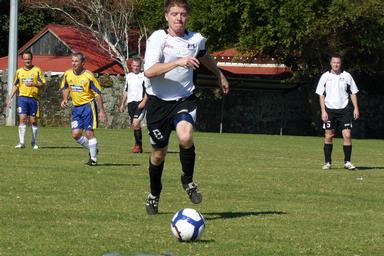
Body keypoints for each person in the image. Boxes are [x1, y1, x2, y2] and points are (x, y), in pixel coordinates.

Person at [143, 0, 229, 215]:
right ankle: (154, 195)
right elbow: (149, 72)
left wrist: (219, 74)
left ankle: (188, 181)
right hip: (158, 103)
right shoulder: (158, 39)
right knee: (158, 154)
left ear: (187, 16)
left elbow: (204, 56)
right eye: (174, 14)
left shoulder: (195, 40)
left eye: (182, 14)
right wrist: (177, 62)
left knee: (185, 136)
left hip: (184, 99)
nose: (178, 18)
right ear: (166, 16)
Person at [60, 52, 107, 166]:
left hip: (88, 106)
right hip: (76, 108)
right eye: (72, 61)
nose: (74, 63)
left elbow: (98, 94)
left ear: (83, 63)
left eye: (76, 61)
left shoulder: (89, 76)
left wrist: (101, 110)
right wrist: (65, 98)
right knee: (76, 134)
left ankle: (93, 160)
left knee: (89, 132)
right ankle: (93, 148)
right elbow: (65, 87)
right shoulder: (67, 74)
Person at [315, 54, 359, 170]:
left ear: (341, 63)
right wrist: (323, 111)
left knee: (347, 135)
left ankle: (347, 162)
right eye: (334, 62)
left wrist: (356, 108)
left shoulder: (347, 76)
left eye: (338, 62)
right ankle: (328, 162)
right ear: (330, 63)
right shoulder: (325, 77)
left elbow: (353, 92)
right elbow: (321, 95)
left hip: (344, 110)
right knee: (329, 135)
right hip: (329, 110)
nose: (336, 64)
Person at [7, 51, 46, 149]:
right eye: (25, 59)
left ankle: (33, 142)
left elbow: (43, 84)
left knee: (33, 121)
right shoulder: (19, 72)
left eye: (28, 58)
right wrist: (10, 98)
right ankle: (22, 142)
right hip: (22, 98)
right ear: (22, 60)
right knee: (22, 119)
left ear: (31, 59)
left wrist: (34, 84)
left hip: (33, 99)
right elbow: (16, 85)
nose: (27, 61)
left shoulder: (37, 70)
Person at [119, 57, 148, 153]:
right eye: (134, 66)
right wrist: (122, 104)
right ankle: (139, 145)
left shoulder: (144, 76)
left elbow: (148, 90)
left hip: (140, 103)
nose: (135, 68)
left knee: (136, 123)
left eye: (137, 66)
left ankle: (137, 146)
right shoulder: (128, 76)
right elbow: (126, 91)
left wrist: (144, 102)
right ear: (131, 66)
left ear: (140, 67)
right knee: (135, 125)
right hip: (131, 103)